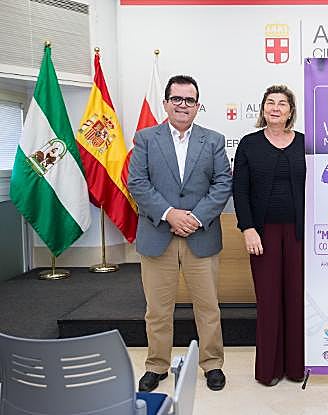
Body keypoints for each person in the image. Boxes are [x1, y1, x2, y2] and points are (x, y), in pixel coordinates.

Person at [128, 75, 232, 392]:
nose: (182, 105)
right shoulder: (146, 138)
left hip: (201, 236)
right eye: (177, 99)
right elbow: (137, 183)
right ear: (166, 103)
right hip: (157, 235)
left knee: (208, 308)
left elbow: (223, 183)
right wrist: (169, 214)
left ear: (198, 106)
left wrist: (195, 218)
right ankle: (156, 365)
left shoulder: (213, 140)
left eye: (189, 100)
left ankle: (212, 364)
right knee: (158, 310)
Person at [232, 85, 305, 386]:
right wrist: (248, 228)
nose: (276, 108)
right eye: (270, 103)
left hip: (300, 234)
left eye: (282, 103)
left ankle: (296, 367)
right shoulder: (249, 144)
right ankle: (269, 369)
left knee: (296, 299)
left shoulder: (305, 143)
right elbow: (239, 190)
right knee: (269, 300)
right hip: (262, 234)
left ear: (291, 111)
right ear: (263, 109)